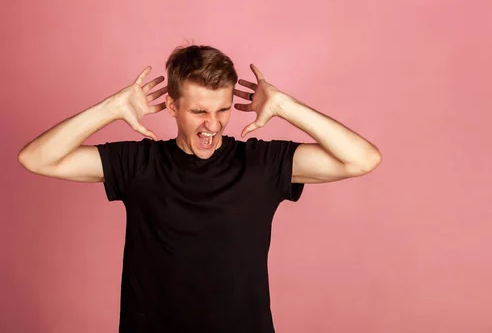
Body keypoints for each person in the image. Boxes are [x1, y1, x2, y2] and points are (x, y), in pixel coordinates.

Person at [17, 44, 382, 333]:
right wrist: (110, 109)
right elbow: (37, 159)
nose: (213, 124)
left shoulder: (261, 164)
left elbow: (362, 159)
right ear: (172, 107)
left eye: (222, 110)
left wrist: (286, 106)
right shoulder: (139, 164)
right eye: (198, 112)